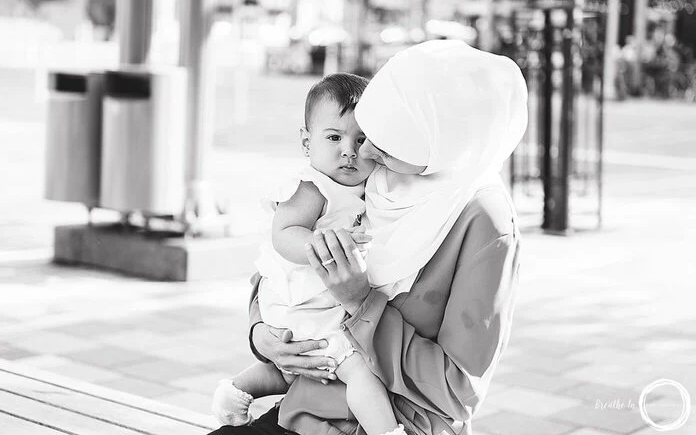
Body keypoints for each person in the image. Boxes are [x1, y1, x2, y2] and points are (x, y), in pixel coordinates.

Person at [210, 40, 526, 435]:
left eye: (389, 138)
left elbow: (456, 390)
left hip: (394, 421)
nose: (367, 150)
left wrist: (362, 303)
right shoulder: (378, 174)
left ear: (442, 136)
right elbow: (286, 266)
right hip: (305, 404)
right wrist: (265, 336)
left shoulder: (484, 223)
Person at [211, 73, 403, 435]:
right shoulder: (313, 186)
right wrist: (319, 245)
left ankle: (235, 391)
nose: (349, 150)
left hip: (317, 302)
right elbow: (284, 233)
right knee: (353, 366)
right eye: (334, 137)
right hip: (303, 300)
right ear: (306, 141)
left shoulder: (363, 188)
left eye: (361, 140)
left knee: (295, 368)